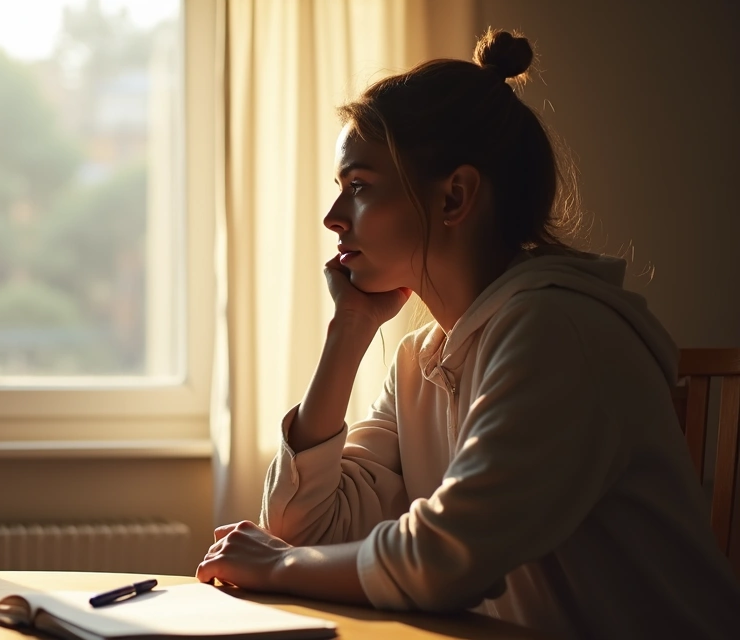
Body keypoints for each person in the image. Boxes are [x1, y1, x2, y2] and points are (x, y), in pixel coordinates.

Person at [195, 28, 740, 638]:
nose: (333, 218)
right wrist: (348, 331)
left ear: (454, 197)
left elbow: (444, 561)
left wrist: (282, 565)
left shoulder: (557, 331)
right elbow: (303, 529)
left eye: (359, 187)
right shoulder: (421, 359)